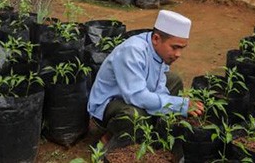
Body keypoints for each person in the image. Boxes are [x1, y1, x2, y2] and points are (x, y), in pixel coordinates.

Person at [87, 10, 205, 146]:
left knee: (173, 80)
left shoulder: (158, 51)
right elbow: (136, 96)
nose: (178, 54)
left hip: (132, 93)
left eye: (182, 48)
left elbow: (160, 84)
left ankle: (152, 129)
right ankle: (108, 139)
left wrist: (174, 105)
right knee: (134, 115)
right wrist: (180, 105)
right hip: (110, 103)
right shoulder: (133, 51)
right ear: (156, 39)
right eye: (174, 47)